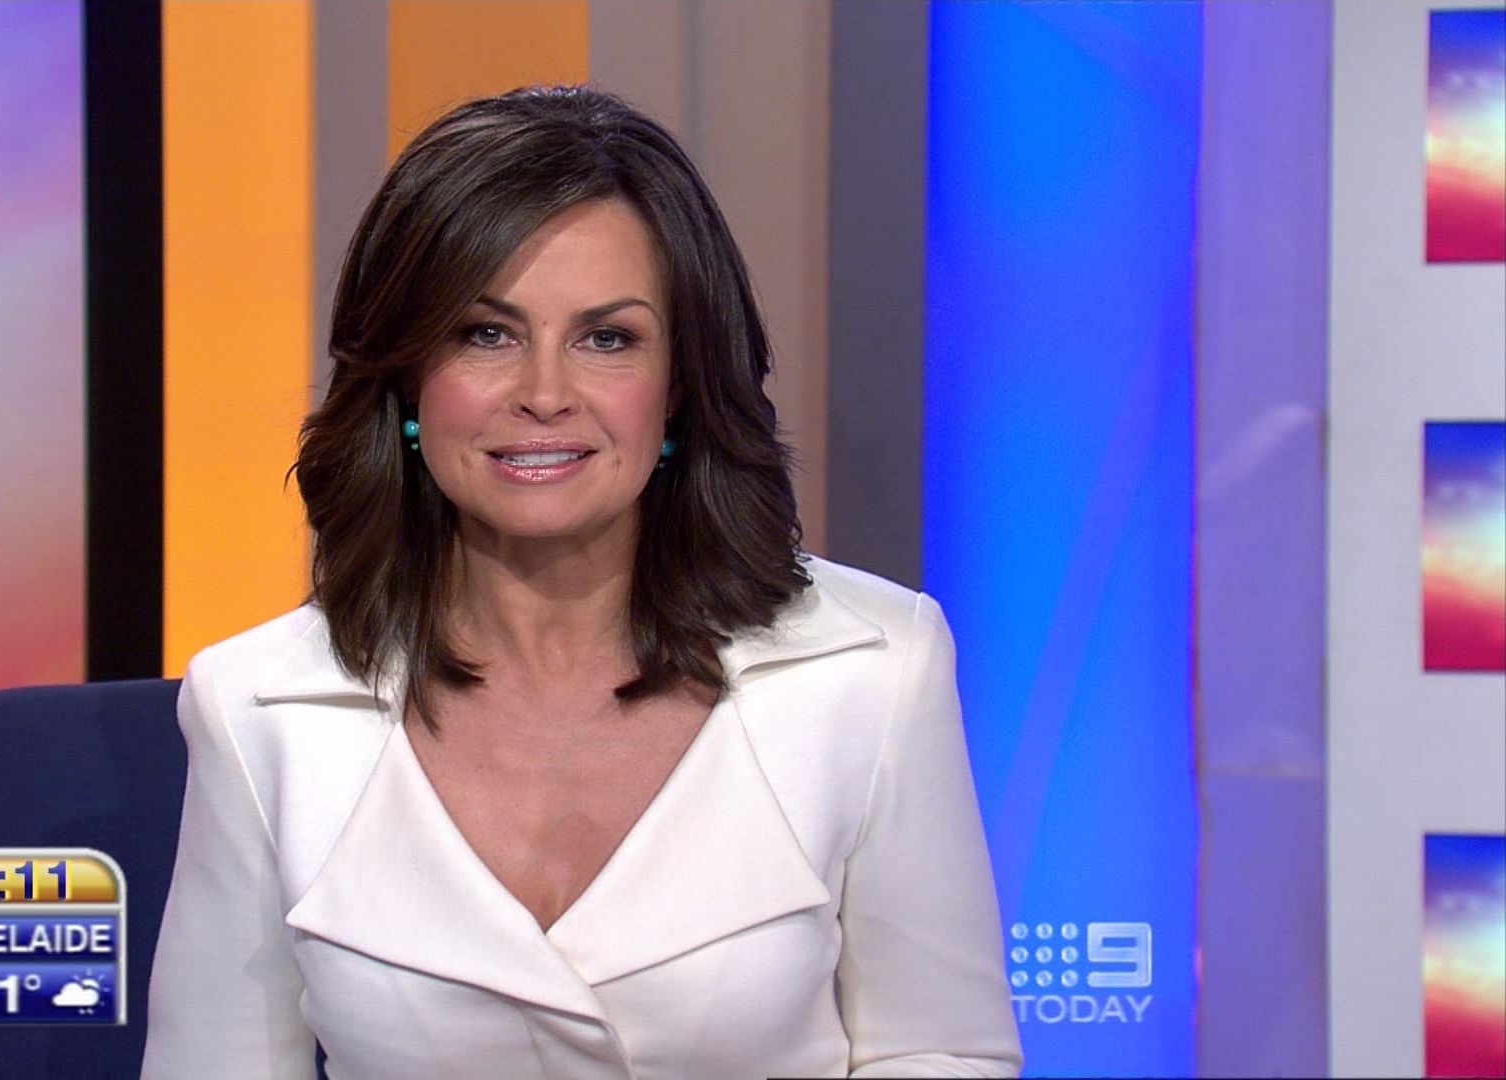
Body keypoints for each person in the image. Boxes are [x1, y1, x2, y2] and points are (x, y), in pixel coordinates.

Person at [143, 86, 1021, 1079]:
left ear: (681, 382)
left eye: (607, 339)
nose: (545, 394)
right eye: (485, 334)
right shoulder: (260, 709)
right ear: (404, 376)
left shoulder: (874, 666)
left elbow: (942, 1053)